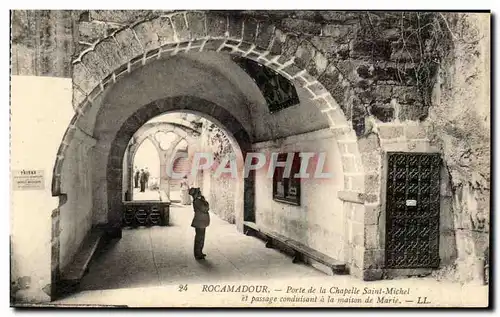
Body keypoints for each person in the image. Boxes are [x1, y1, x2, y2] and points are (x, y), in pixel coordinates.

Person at [189, 187, 210, 260]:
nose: (200, 192)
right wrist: (205, 201)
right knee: (199, 239)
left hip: (201, 222)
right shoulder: (197, 201)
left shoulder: (199, 200)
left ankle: (200, 252)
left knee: (201, 238)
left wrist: (203, 200)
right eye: (199, 192)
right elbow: (205, 209)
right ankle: (197, 254)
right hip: (200, 222)